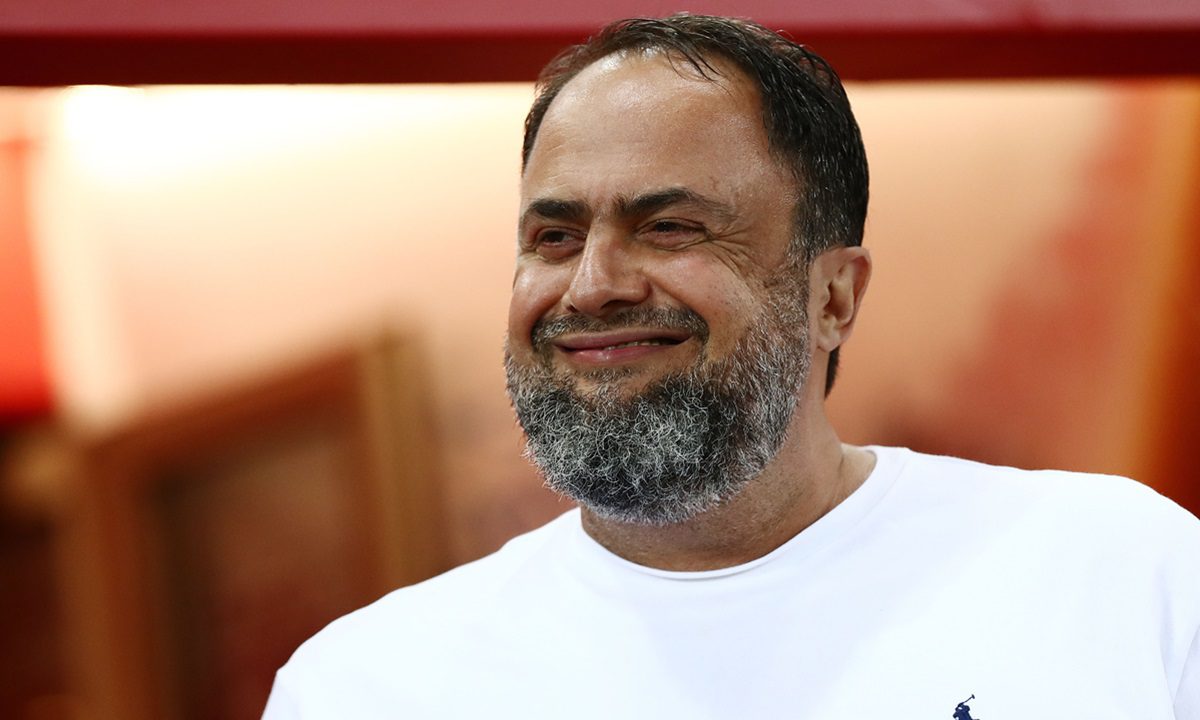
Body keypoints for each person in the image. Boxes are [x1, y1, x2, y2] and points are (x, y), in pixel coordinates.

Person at [263, 14, 1199, 719]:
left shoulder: (1119, 575)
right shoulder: (367, 686)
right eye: (553, 237)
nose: (593, 285)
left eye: (670, 227)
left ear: (834, 297)